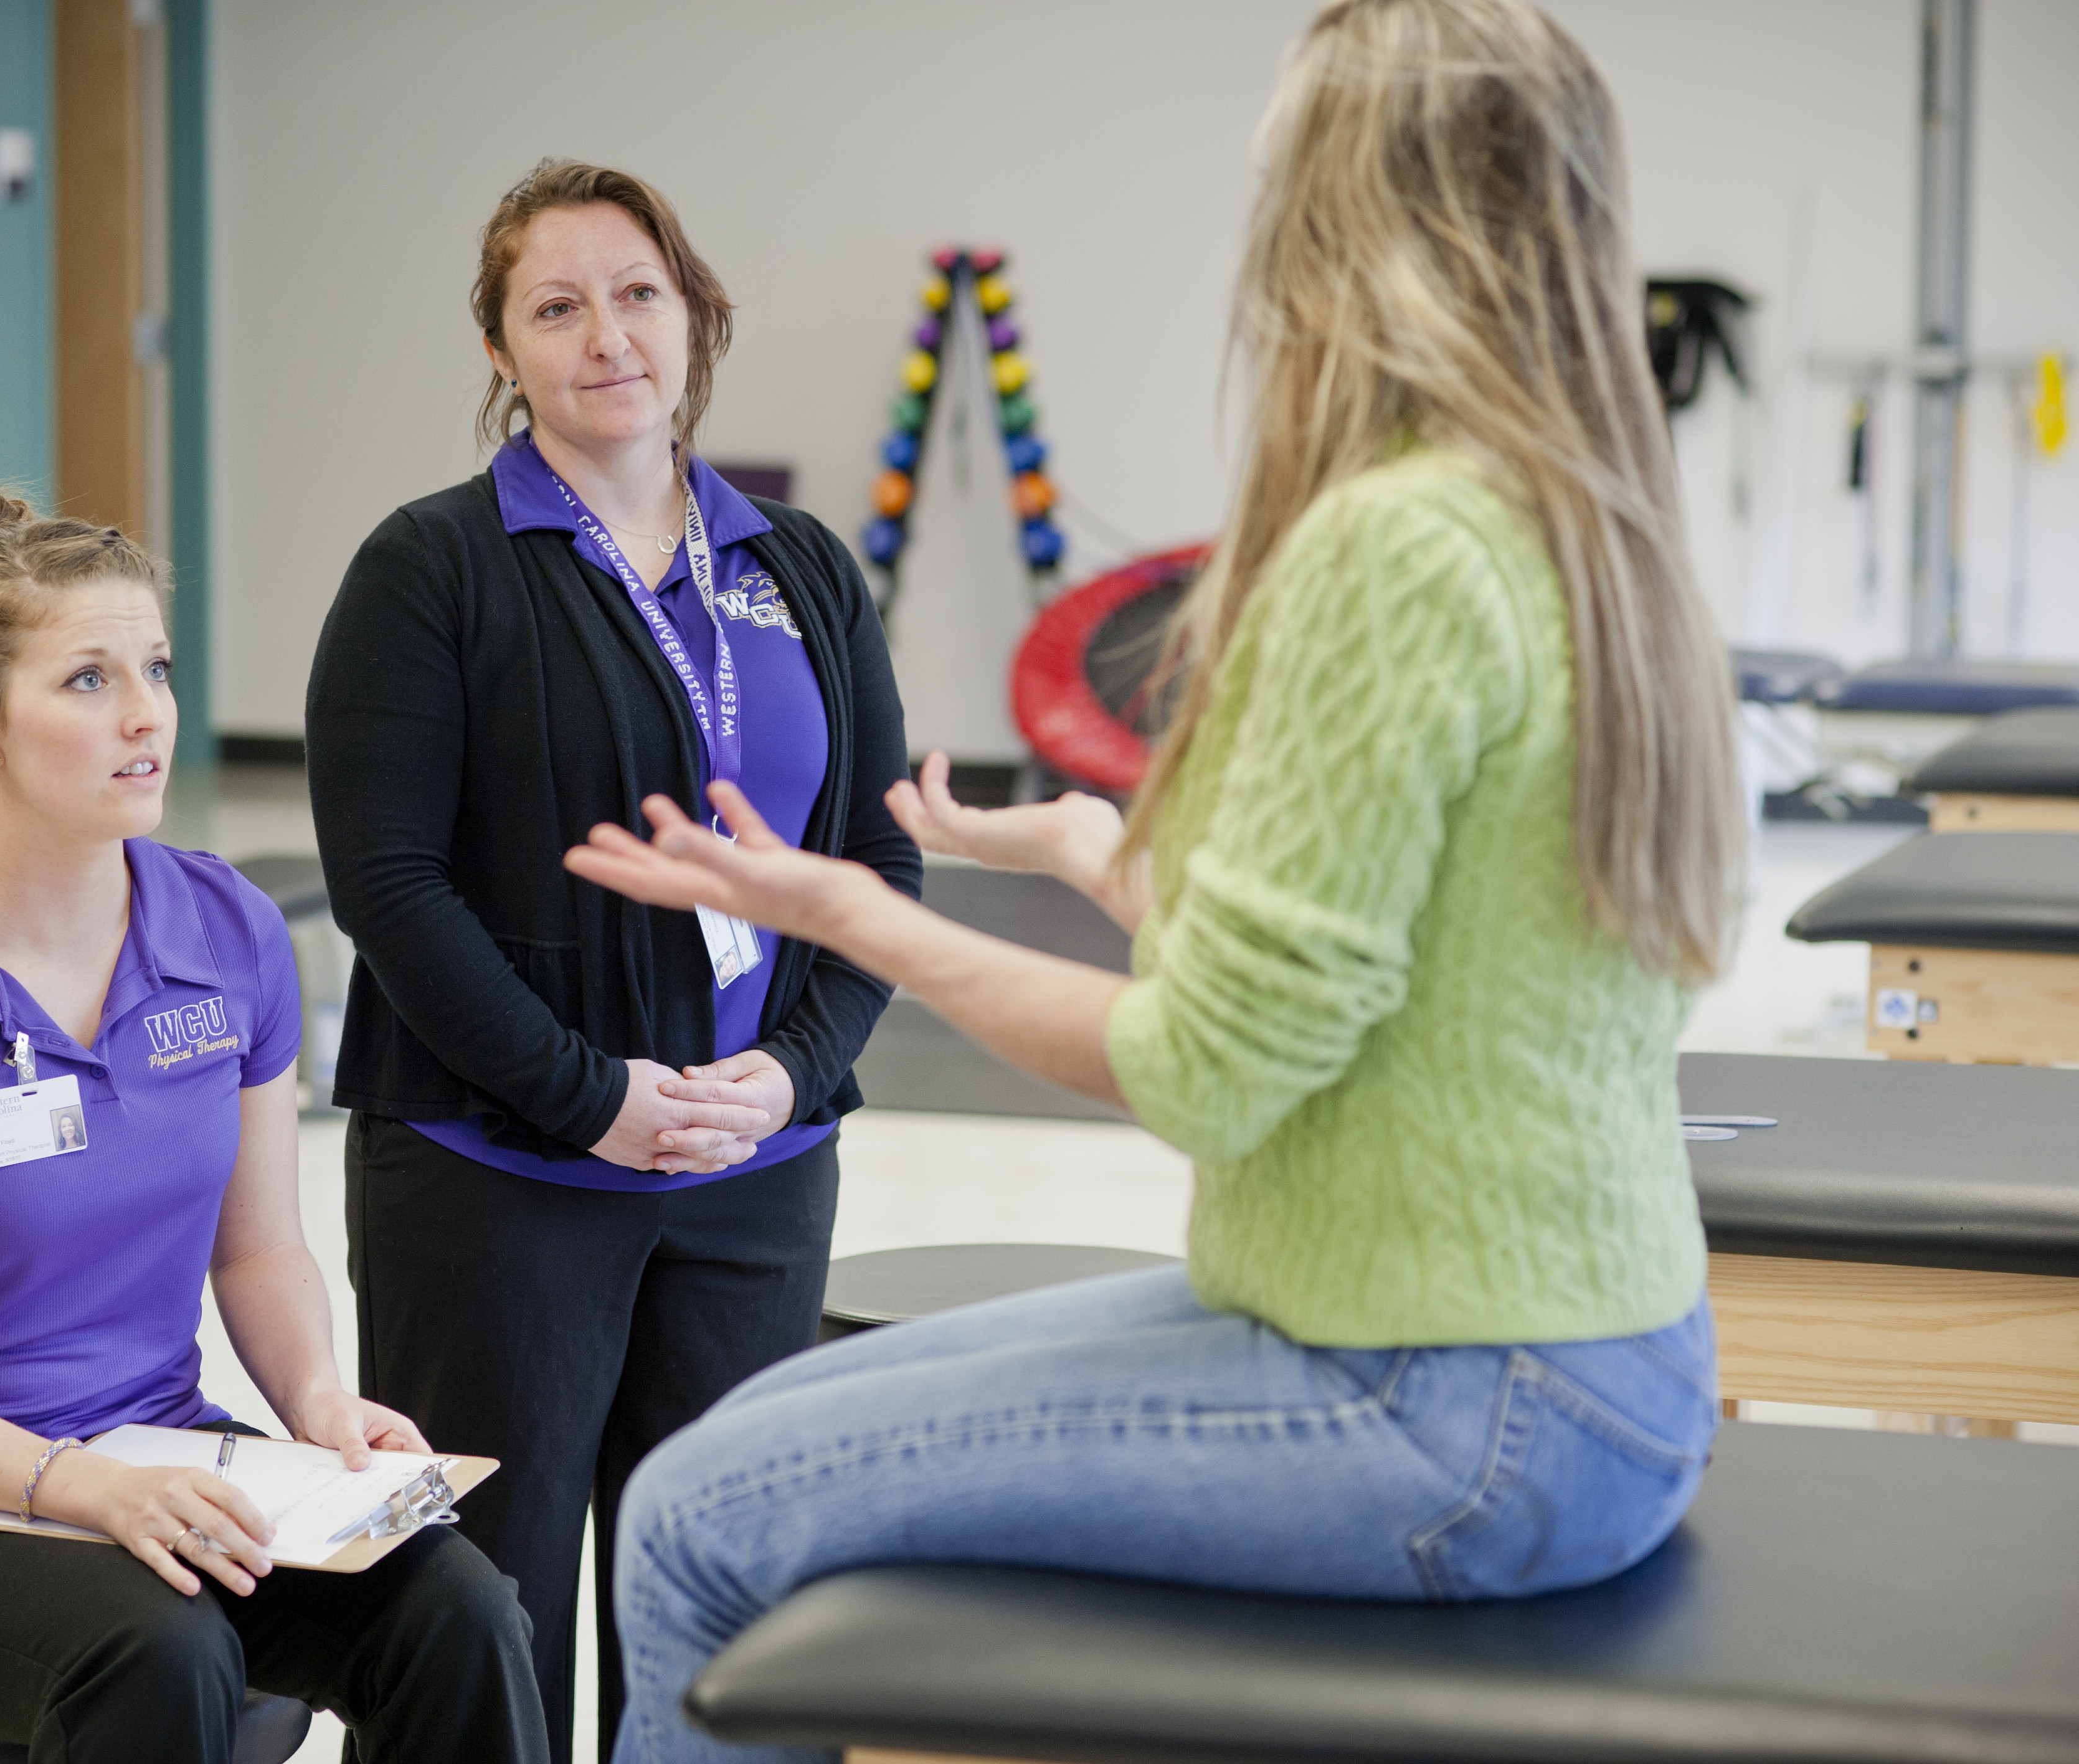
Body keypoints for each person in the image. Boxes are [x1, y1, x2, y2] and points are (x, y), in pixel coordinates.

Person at [563, 2, 1746, 1757]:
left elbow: (1208, 1069)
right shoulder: (1579, 512)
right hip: (1570, 1358)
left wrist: (858, 915)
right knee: (762, 1439)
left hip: (1448, 1399)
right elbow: (1415, 983)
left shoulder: (1394, 543)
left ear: (1337, 220)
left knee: (689, 1522)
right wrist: (1094, 857)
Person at [0, 484, 546, 1764]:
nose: (146, 718)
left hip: (153, 1455)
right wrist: (87, 1490)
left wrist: (317, 1406)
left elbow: (259, 1251)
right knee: (163, 1643)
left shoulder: (230, 931)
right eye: (85, 680)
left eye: (156, 670)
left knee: (456, 1606)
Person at [305, 159, 917, 1758]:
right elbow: (386, 880)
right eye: (554, 307)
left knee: (719, 1611)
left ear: (694, 318)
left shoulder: (797, 568)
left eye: (636, 294)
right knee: (478, 1624)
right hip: (501, 1184)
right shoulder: (430, 568)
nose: (606, 336)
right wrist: (588, 1100)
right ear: (501, 351)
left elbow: (880, 863)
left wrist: (793, 1072)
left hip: (753, 1179)